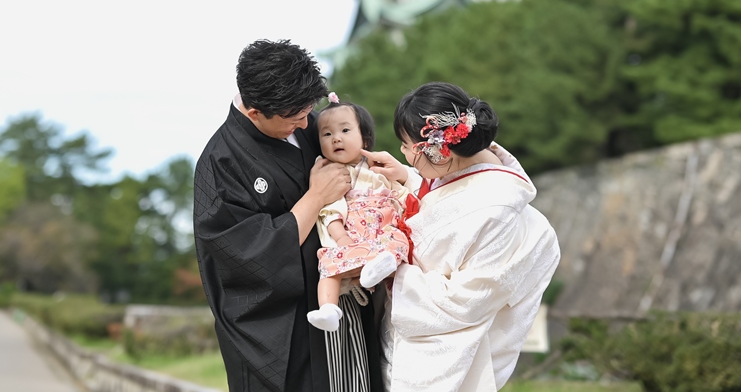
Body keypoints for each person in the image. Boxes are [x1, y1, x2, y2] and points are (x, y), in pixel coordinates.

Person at [192, 40, 383, 392]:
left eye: (306, 112)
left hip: (340, 302)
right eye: (293, 118)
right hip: (279, 327)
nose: (302, 124)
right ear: (254, 112)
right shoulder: (221, 163)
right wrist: (315, 198)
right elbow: (242, 255)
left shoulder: (310, 123)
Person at [362, 81, 561, 392]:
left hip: (439, 364)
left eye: (405, 145)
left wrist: (395, 274)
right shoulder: (475, 175)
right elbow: (449, 195)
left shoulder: (497, 207)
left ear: (437, 148)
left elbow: (468, 300)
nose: (401, 151)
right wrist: (407, 174)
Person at [306, 93, 412, 333]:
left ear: (364, 138)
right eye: (327, 134)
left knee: (397, 241)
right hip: (350, 236)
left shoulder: (378, 170)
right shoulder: (330, 174)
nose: (336, 139)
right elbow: (329, 210)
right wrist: (340, 236)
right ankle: (328, 309)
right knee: (329, 265)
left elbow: (403, 196)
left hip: (380, 234)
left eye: (344, 131)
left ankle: (377, 269)